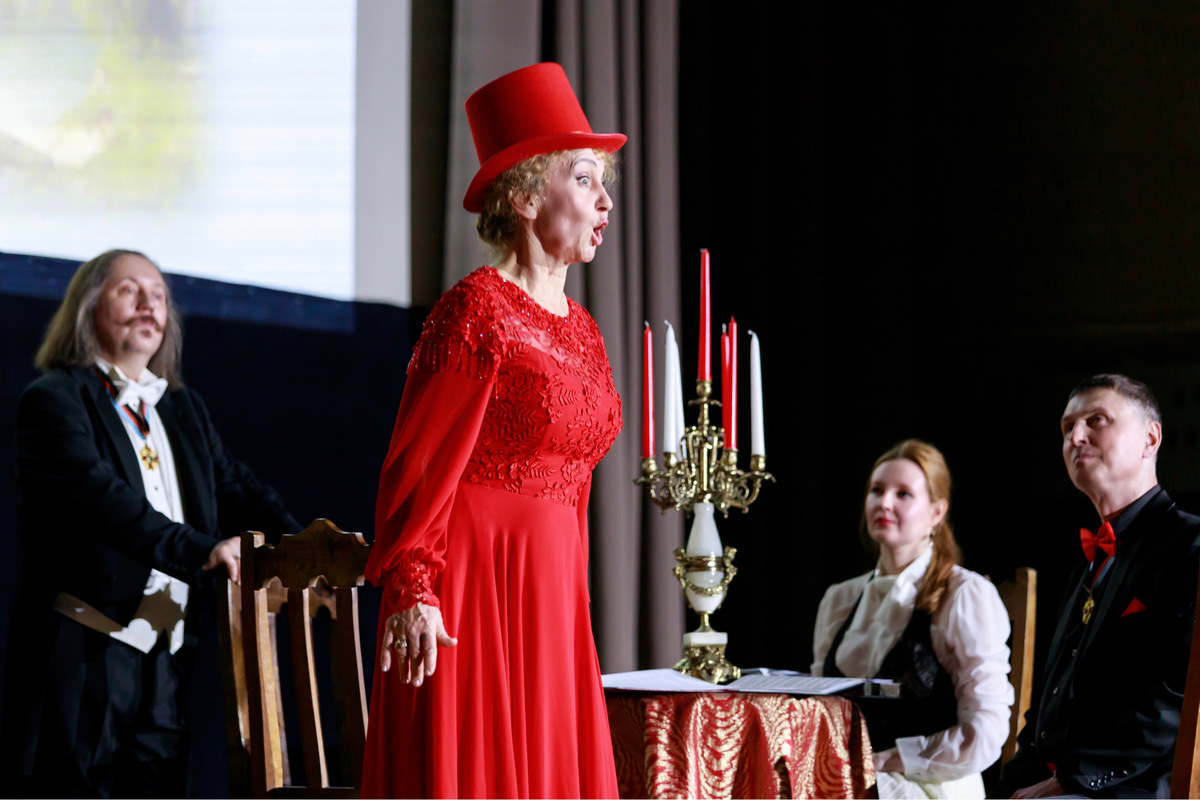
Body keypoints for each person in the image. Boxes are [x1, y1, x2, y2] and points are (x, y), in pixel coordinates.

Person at [360, 62, 624, 798]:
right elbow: (415, 463)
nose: (605, 201)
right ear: (525, 194)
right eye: (584, 179)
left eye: (603, 183)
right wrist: (414, 586)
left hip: (553, 589)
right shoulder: (475, 310)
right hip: (473, 583)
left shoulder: (584, 331)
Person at [0, 249, 300, 798]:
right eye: (129, 291)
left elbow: (240, 489)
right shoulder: (54, 400)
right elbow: (106, 502)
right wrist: (202, 549)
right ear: (88, 307)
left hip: (167, 657)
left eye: (159, 295)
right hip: (85, 650)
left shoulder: (184, 409)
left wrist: (306, 551)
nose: (149, 304)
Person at [1000, 374, 1200, 799]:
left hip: (1138, 786)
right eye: (1067, 427)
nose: (1075, 437)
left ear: (1150, 439)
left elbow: (1177, 696)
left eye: (1096, 420)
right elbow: (1051, 703)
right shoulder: (1085, 568)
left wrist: (1067, 781)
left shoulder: (1190, 545)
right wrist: (1011, 786)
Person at [811, 440, 1013, 799]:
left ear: (936, 512)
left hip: (933, 785)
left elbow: (985, 731)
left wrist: (886, 761)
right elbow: (816, 712)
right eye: (877, 491)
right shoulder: (839, 599)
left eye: (903, 493)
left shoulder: (964, 594)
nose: (884, 503)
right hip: (848, 781)